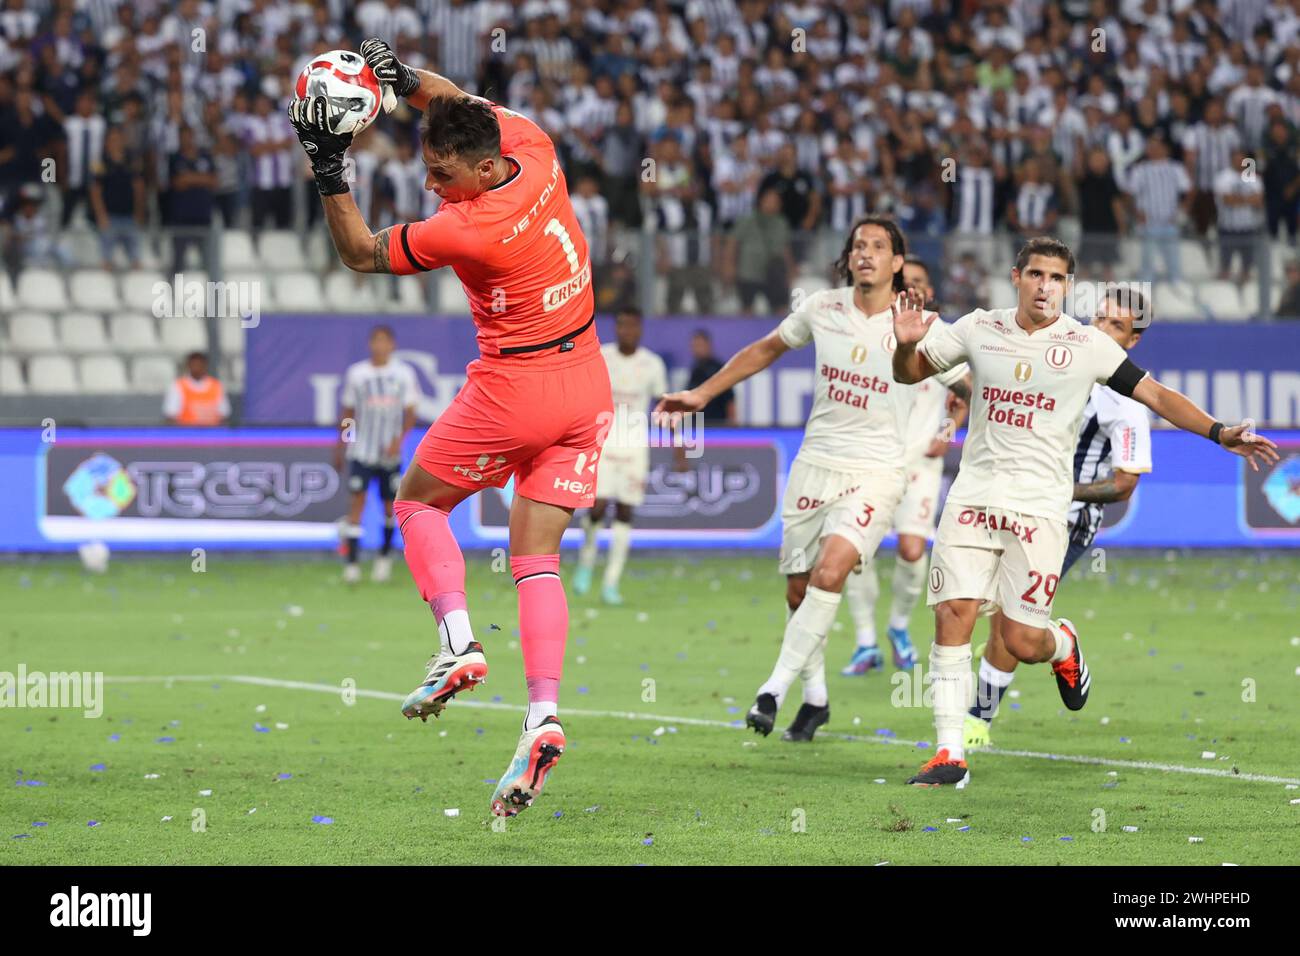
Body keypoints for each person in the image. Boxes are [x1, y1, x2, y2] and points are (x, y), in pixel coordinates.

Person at [288, 38, 612, 818]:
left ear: (484, 172)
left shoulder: (468, 227)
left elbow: (361, 253)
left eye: (442, 176)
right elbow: (454, 100)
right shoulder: (530, 143)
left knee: (416, 504)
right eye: (428, 172)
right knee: (536, 557)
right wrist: (398, 78)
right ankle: (542, 719)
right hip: (588, 385)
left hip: (517, 384)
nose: (433, 187)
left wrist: (329, 166)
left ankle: (461, 643)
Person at [891, 236, 1278, 787]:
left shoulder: (1085, 346)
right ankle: (949, 752)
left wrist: (1220, 432)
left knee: (1022, 641)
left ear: (1067, 286)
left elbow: (1157, 395)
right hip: (972, 498)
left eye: (1057, 278)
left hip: (1041, 509)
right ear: (1017, 276)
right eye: (1037, 275)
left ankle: (1063, 643)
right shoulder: (978, 326)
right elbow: (910, 372)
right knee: (952, 613)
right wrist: (905, 347)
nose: (1046, 286)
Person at [657, 215, 968, 743]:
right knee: (799, 592)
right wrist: (703, 394)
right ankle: (817, 699)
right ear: (847, 258)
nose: (865, 253)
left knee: (830, 573)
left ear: (897, 262)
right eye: (857, 245)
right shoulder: (822, 309)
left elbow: (971, 384)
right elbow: (767, 348)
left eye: (878, 246)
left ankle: (773, 689)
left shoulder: (922, 323)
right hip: (814, 466)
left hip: (878, 471)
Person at [964, 284, 1153, 750]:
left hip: (1066, 519)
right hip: (1009, 502)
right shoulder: (1057, 363)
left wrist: (1059, 488)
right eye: (1100, 319)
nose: (1103, 330)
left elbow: (1125, 483)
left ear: (1132, 342)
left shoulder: (1127, 403)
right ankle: (976, 719)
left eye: (1118, 326)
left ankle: (979, 718)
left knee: (1014, 619)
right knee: (984, 611)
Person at [841, 255, 969, 675]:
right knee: (857, 553)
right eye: (905, 281)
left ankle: (897, 626)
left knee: (913, 550)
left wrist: (947, 432)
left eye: (920, 281)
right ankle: (864, 642)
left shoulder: (945, 335)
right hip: (871, 461)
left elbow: (970, 393)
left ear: (929, 292)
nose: (912, 287)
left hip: (918, 466)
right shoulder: (875, 331)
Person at [573, 308, 668, 605]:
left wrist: (678, 445)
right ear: (616, 328)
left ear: (640, 329)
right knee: (597, 508)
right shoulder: (602, 356)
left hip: (635, 446)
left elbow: (664, 406)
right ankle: (586, 562)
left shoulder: (652, 364)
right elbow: (582, 394)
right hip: (603, 442)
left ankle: (611, 583)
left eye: (633, 326)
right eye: (623, 325)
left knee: (625, 512)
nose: (628, 331)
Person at [335, 325, 419, 585]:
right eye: (376, 341)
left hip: (389, 454)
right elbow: (348, 412)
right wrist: (342, 444)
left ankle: (383, 560)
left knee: (389, 508)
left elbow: (410, 413)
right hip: (361, 450)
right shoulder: (357, 373)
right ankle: (352, 565)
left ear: (392, 345)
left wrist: (398, 442)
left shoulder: (403, 373)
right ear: (370, 344)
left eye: (385, 341)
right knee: (357, 504)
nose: (380, 346)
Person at [163, 352, 230, 426]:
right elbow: (171, 415)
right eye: (194, 365)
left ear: (205, 366)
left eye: (199, 365)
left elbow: (224, 415)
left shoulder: (216, 386)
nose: (197, 368)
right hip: (187, 434)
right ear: (188, 366)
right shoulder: (178, 386)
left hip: (212, 434)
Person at [685, 329, 735, 423]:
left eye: (700, 345)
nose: (697, 349)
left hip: (717, 425)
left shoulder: (720, 369)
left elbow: (729, 400)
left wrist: (732, 424)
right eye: (694, 346)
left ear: (708, 346)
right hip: (698, 425)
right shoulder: (695, 370)